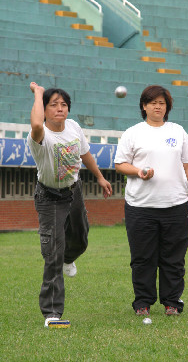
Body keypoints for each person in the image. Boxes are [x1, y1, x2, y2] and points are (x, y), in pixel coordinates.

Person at [27, 82, 112, 328]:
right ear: (44, 111)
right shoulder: (40, 135)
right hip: (49, 197)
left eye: (63, 104)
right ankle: (52, 313)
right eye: (53, 105)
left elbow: (84, 154)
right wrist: (39, 94)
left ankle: (69, 258)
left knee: (81, 238)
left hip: (73, 191)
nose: (60, 109)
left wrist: (99, 176)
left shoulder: (73, 127)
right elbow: (34, 124)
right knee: (53, 254)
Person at [114, 85, 188, 317]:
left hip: (176, 205)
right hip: (140, 207)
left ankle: (172, 302)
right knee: (142, 258)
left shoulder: (178, 131)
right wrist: (139, 171)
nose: (157, 106)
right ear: (144, 106)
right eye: (153, 102)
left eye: (162, 103)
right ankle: (142, 302)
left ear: (167, 107)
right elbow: (120, 164)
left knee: (173, 258)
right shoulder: (133, 133)